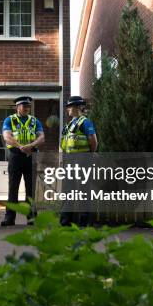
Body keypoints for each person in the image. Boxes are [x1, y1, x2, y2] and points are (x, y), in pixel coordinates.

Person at [0, 96, 45, 226]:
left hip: (31, 155)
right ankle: (9, 218)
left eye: (28, 106)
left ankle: (32, 218)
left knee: (31, 188)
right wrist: (20, 146)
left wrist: (31, 146)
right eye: (24, 106)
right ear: (17, 107)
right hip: (15, 155)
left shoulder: (35, 121)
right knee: (13, 187)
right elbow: (7, 137)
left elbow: (41, 138)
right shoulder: (10, 120)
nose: (27, 108)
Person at [59, 96, 98, 226]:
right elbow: (63, 144)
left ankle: (84, 224)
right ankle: (65, 222)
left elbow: (93, 141)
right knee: (68, 192)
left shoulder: (85, 122)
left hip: (83, 160)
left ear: (77, 107)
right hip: (69, 160)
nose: (68, 109)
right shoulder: (69, 125)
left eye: (70, 107)